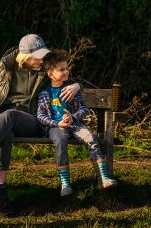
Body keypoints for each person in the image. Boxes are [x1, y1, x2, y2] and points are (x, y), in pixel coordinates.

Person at [0, 34, 80, 215]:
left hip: (31, 120)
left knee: (9, 116)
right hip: (4, 117)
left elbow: (63, 75)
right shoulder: (7, 66)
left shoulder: (46, 66)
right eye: (37, 55)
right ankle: (2, 195)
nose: (41, 58)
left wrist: (78, 86)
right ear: (25, 56)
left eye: (42, 53)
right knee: (3, 132)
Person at [37, 49, 117, 197]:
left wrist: (73, 117)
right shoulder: (45, 93)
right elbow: (40, 115)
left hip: (75, 124)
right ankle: (65, 183)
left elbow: (84, 109)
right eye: (61, 70)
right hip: (56, 127)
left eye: (67, 68)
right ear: (50, 74)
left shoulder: (71, 89)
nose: (66, 72)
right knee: (60, 142)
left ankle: (103, 178)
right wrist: (56, 123)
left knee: (90, 138)